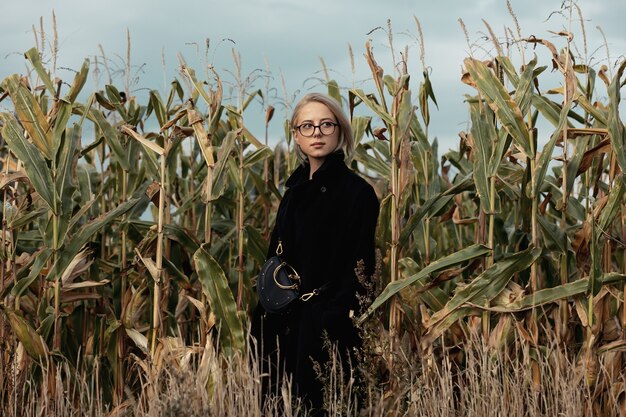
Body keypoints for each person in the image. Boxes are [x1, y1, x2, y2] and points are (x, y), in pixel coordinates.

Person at [251, 93, 380, 413]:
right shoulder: (292, 193)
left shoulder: (357, 193)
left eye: (326, 124)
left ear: (340, 131)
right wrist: (262, 319)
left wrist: (331, 319)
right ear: (295, 135)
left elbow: (362, 267)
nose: (317, 133)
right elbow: (275, 259)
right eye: (307, 126)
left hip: (327, 333)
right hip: (281, 330)